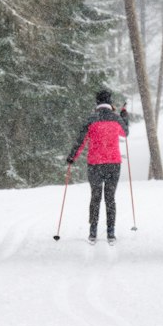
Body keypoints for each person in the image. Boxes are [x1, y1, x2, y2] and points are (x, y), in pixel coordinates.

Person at [67, 88, 129, 243]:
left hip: (95, 164)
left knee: (95, 197)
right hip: (113, 163)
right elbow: (125, 133)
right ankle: (111, 232)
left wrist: (71, 158)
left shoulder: (91, 119)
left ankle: (93, 232)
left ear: (97, 102)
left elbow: (80, 142)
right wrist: (124, 116)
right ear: (110, 103)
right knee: (110, 198)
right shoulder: (116, 119)